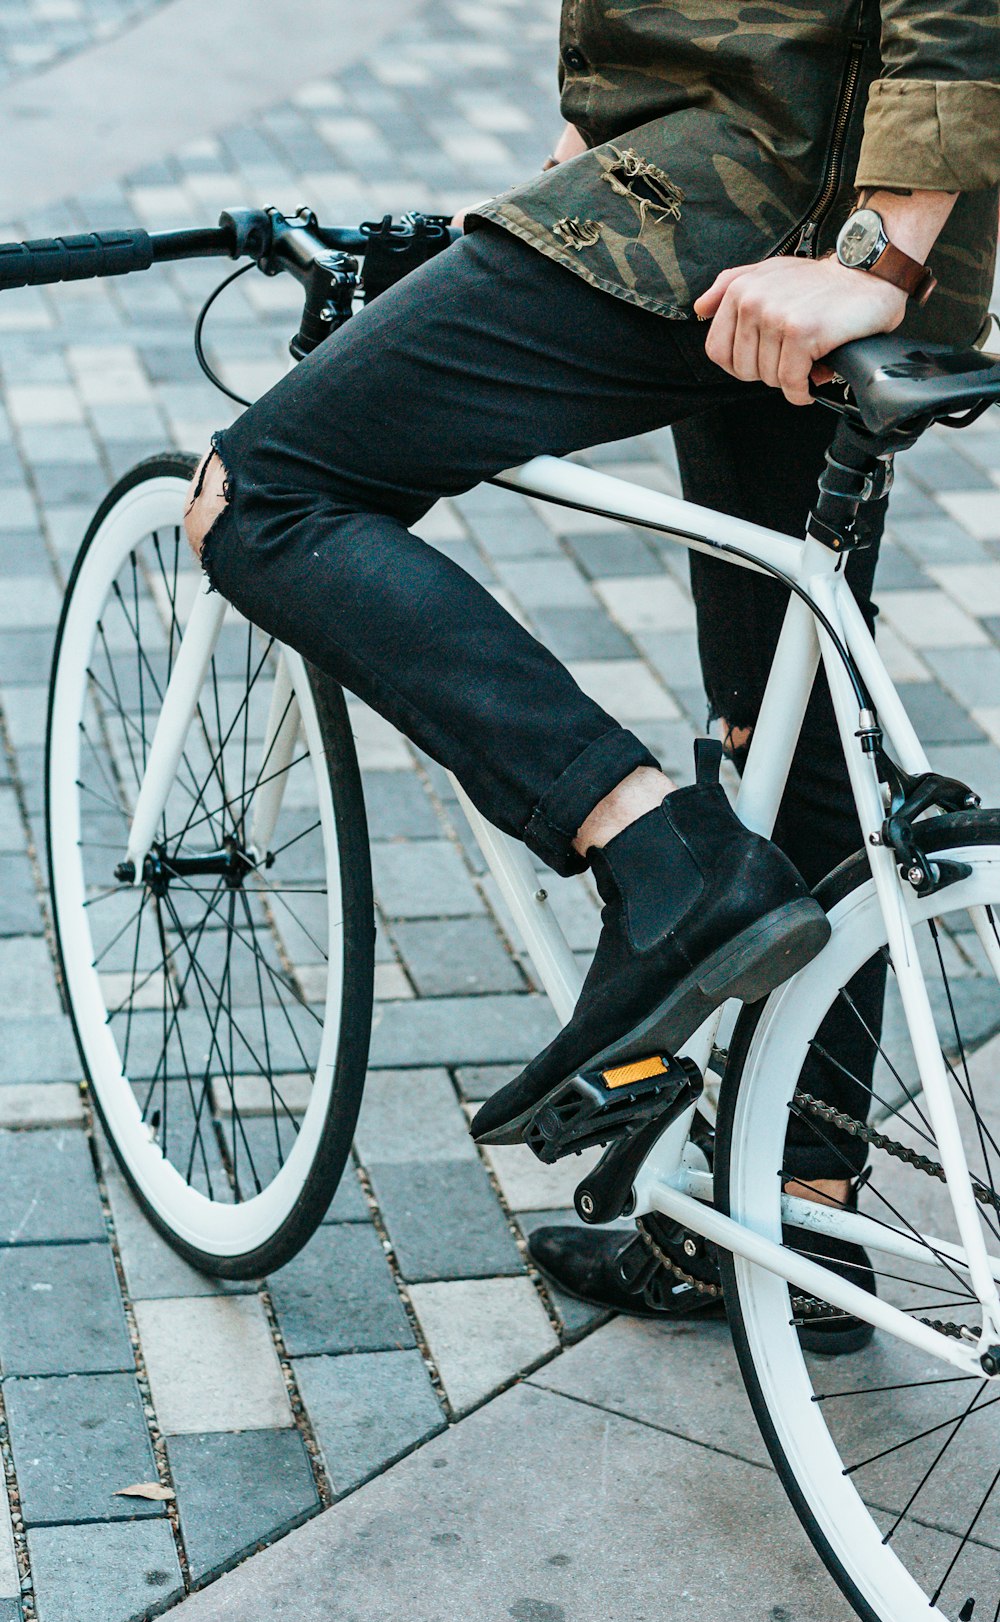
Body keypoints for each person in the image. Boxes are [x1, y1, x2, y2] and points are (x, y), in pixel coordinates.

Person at [183, 0, 999, 1339]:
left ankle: (660, 858)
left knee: (263, 493)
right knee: (784, 741)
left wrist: (883, 256)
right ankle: (796, 1225)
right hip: (741, 191)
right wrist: (581, 151)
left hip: (750, 208)